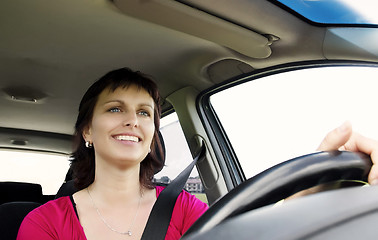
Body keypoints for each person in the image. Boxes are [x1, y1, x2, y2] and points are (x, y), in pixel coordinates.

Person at [17, 68, 378, 240]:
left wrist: (305, 199)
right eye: (115, 109)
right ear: (87, 131)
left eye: (145, 113)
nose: (133, 121)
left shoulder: (183, 208)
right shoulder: (44, 223)